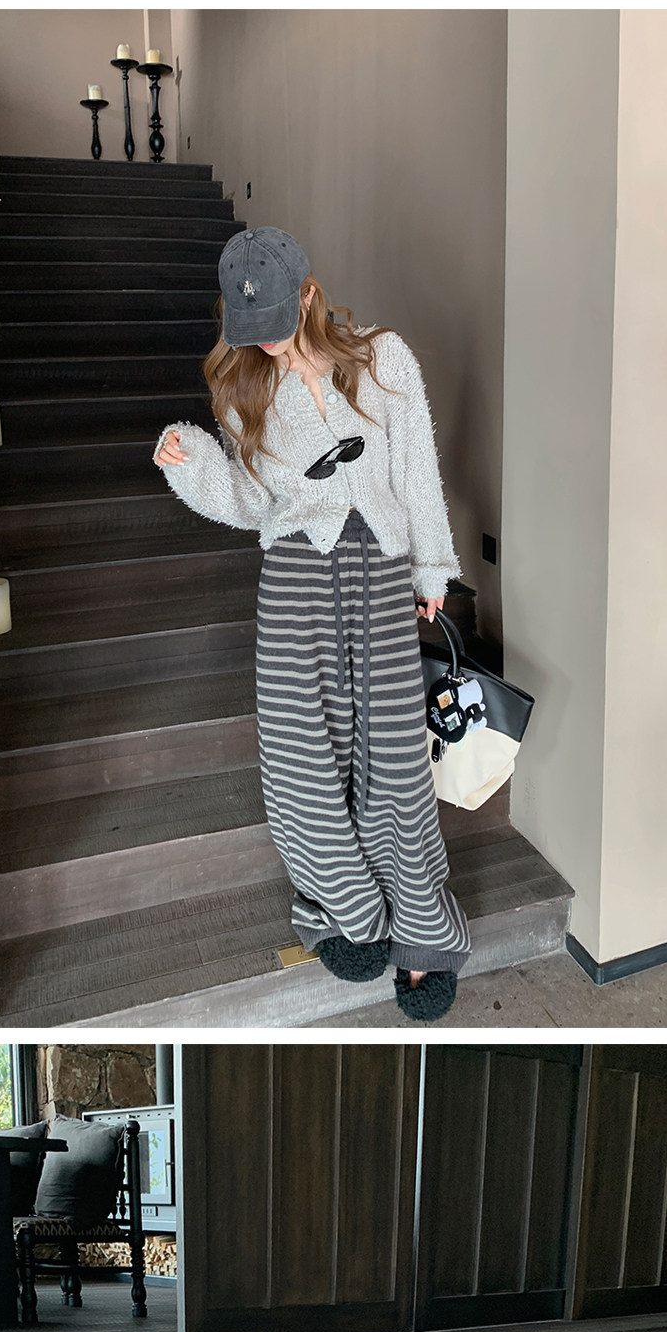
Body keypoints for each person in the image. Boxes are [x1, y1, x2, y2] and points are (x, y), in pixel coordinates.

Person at [154, 225, 470, 1025]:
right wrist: (193, 463)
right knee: (301, 753)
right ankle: (344, 904)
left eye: (274, 321)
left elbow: (417, 471)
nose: (262, 342)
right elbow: (251, 502)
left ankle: (422, 921)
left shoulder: (383, 358)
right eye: (247, 328)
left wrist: (433, 569)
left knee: (394, 754)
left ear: (307, 294)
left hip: (381, 571)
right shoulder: (245, 390)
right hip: (297, 576)